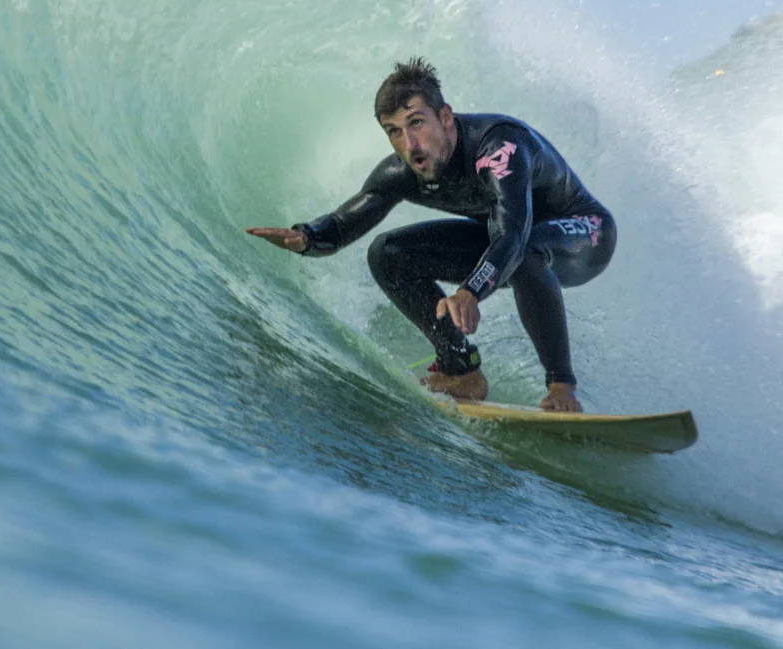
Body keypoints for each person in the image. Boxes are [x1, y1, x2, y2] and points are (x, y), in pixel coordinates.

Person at [248, 59, 616, 412]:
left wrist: (471, 291)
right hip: (506, 239)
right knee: (387, 253)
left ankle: (561, 385)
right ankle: (462, 371)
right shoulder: (406, 170)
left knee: (526, 250)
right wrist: (307, 238)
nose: (409, 143)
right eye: (394, 131)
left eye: (416, 123)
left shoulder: (499, 147)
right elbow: (346, 222)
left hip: (583, 235)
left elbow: (513, 233)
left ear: (445, 117)